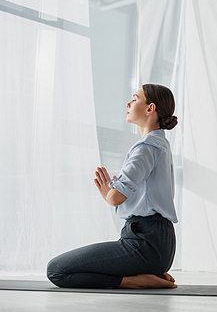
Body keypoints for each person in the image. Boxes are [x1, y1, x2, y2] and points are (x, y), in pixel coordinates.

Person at [47, 84, 179, 289]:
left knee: (56, 270)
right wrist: (114, 188)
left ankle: (136, 281)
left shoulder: (147, 147)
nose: (128, 103)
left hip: (145, 243)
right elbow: (142, 193)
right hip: (157, 243)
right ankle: (148, 272)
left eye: (135, 98)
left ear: (149, 109)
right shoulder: (160, 144)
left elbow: (116, 198)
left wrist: (108, 192)